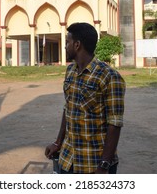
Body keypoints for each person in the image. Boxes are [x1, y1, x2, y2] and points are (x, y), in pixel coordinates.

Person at [45, 22, 125, 174]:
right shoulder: (70, 71)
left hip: (94, 164)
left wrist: (104, 165)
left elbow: (114, 124)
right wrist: (58, 142)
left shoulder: (109, 77)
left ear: (77, 45)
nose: (65, 47)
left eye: (67, 42)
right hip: (68, 160)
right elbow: (68, 108)